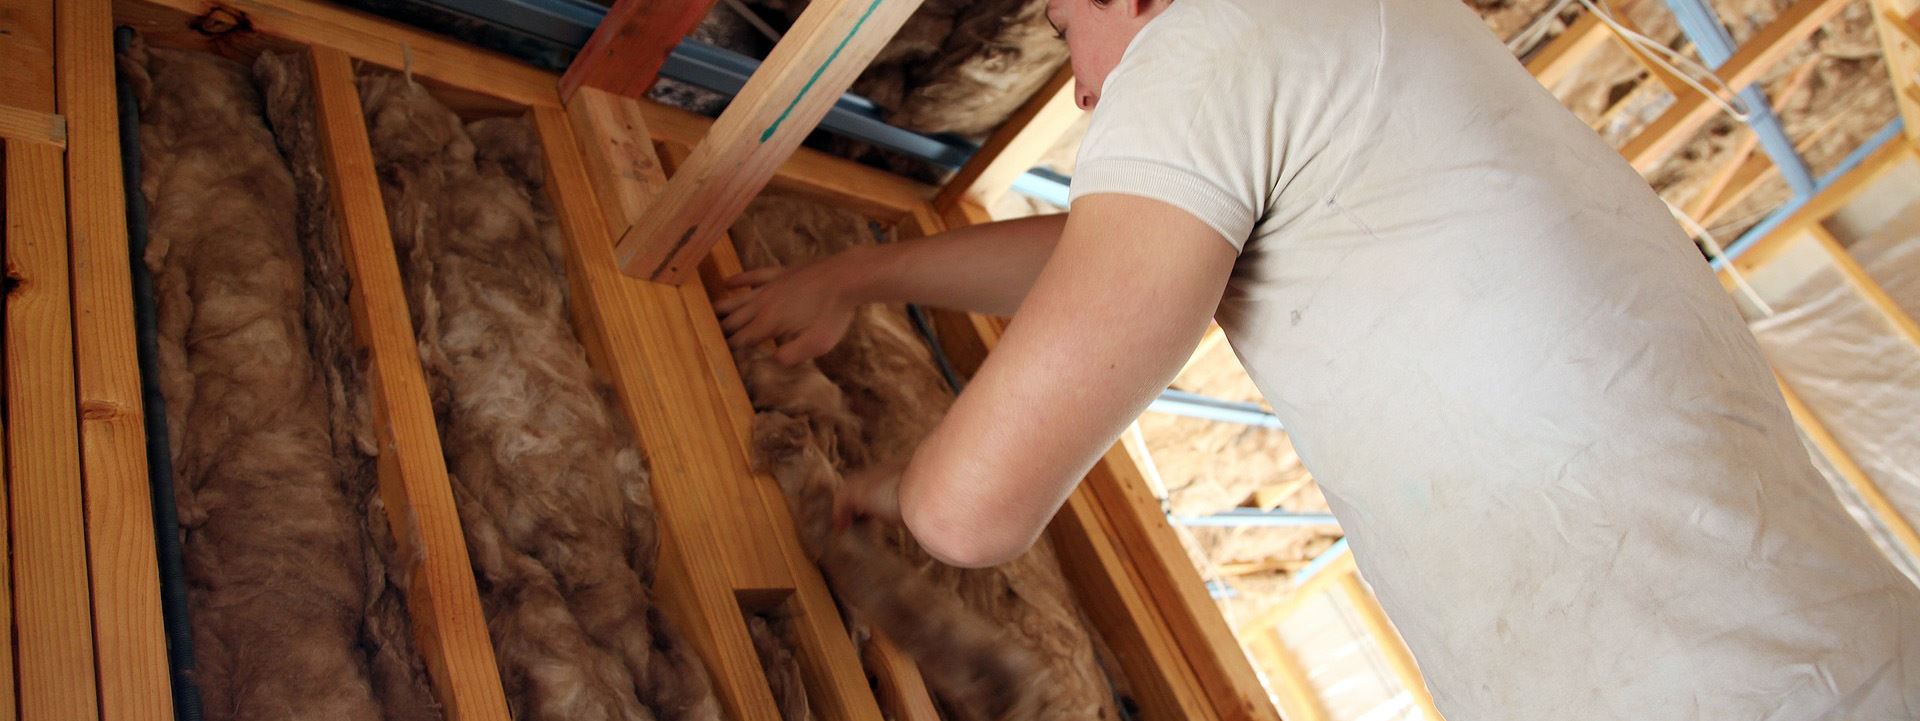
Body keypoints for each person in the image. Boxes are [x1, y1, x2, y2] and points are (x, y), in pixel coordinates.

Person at [715, 0, 1920, 716]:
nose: (1080, 85)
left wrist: (893, 496)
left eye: (1067, 23)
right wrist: (864, 273)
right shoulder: (1357, 35)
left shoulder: (1207, 49)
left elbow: (972, 512)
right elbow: (1124, 254)